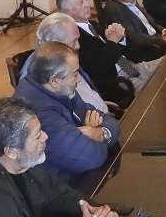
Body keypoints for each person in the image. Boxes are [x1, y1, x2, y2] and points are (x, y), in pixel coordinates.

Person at [13, 41, 116, 178]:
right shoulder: (39, 111)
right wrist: (94, 135)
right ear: (54, 81)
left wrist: (99, 133)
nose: (79, 80)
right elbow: (89, 158)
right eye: (75, 74)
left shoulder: (61, 89)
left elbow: (108, 120)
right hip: (66, 183)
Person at [23, 10, 126, 115]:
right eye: (74, 41)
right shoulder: (39, 71)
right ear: (55, 41)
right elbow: (58, 109)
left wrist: (97, 103)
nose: (78, 46)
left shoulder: (61, 56)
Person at [52, 0, 135, 105]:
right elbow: (98, 69)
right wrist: (112, 42)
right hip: (117, 80)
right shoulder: (75, 39)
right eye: (81, 2)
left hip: (130, 66)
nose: (87, 4)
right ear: (68, 12)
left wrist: (120, 38)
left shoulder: (93, 25)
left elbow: (126, 50)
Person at [101, 0, 166, 63]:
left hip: (156, 42)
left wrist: (164, 31)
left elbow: (150, 24)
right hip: (145, 53)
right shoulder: (114, 9)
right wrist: (162, 40)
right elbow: (134, 39)